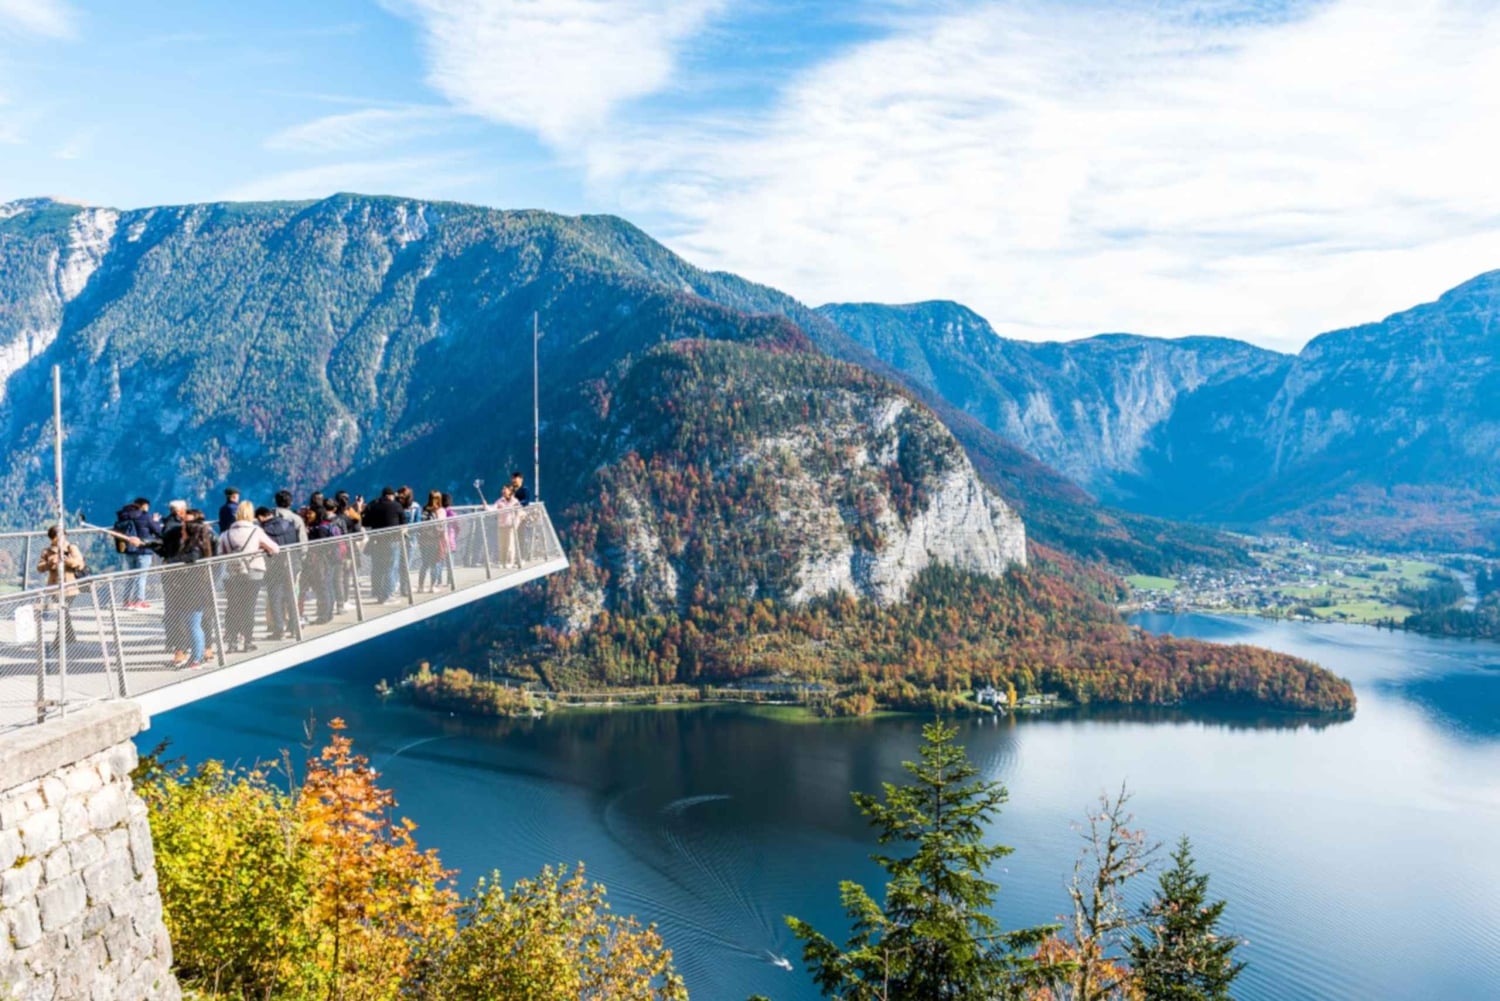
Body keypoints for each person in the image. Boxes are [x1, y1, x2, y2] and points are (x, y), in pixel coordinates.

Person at [218, 500, 280, 653]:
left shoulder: (225, 534)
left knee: (232, 607)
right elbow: (275, 549)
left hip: (232, 573)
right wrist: (259, 548)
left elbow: (220, 553)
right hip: (253, 573)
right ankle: (247, 642)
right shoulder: (256, 531)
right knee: (248, 607)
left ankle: (232, 643)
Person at [162, 512, 214, 669]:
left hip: (194, 592)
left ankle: (196, 659)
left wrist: (169, 561)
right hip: (190, 591)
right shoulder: (198, 545)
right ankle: (196, 656)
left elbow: (186, 559)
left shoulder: (194, 549)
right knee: (192, 624)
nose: (181, 531)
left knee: (193, 625)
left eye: (184, 529)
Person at [36, 525, 85, 650]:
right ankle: (69, 636)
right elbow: (40, 568)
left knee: (62, 611)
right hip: (54, 586)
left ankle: (59, 640)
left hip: (69, 586)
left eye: (62, 535)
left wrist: (65, 560)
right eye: (57, 536)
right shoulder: (46, 551)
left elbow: (79, 564)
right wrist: (49, 563)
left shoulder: (71, 548)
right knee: (63, 611)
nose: (60, 538)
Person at [257, 506, 301, 640]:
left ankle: (279, 630)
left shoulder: (263, 530)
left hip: (274, 566)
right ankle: (294, 628)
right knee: (291, 597)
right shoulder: (290, 524)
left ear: (260, 517)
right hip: (292, 563)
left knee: (275, 598)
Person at [113, 498, 160, 608]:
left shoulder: (123, 517)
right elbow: (157, 531)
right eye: (147, 506)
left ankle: (127, 601)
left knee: (131, 576)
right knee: (141, 576)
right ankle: (139, 601)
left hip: (129, 550)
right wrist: (156, 521)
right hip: (143, 550)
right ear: (142, 506)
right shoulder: (145, 517)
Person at [361, 486, 405, 603]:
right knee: (390, 567)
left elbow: (365, 522)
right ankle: (387, 595)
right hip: (392, 540)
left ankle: (376, 591)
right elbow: (403, 523)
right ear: (391, 496)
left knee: (377, 567)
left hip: (377, 540)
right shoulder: (396, 506)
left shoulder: (373, 506)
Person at [417, 490, 448, 592]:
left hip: (424, 541)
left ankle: (421, 587)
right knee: (434, 564)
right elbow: (441, 526)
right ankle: (432, 586)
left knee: (425, 564)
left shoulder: (424, 509)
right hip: (434, 540)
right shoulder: (438, 511)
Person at [494, 484, 521, 568]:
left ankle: (510, 562)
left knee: (510, 545)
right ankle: (502, 562)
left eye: (505, 489)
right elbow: (493, 508)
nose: (503, 491)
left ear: (510, 491)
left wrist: (515, 524)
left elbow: (519, 513)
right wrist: (486, 506)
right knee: (502, 545)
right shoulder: (500, 501)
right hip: (501, 526)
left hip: (510, 526)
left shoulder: (515, 502)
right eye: (503, 489)